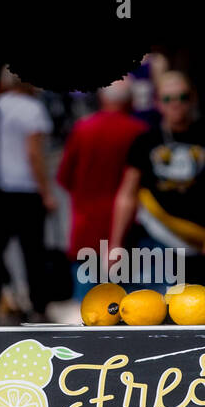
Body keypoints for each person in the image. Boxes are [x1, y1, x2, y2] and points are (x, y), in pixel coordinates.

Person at [110, 70, 205, 288]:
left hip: (198, 241)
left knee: (193, 309)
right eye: (168, 99)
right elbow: (127, 194)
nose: (176, 104)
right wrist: (115, 244)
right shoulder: (146, 140)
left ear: (193, 98)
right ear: (158, 103)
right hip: (156, 238)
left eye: (183, 97)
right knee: (156, 303)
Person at [56, 79, 146, 301]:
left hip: (87, 228)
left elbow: (64, 178)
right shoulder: (140, 132)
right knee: (132, 307)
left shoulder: (83, 129)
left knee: (87, 308)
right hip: (129, 231)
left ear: (102, 98)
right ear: (131, 101)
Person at [0, 66, 58, 318]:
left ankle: (2, 292)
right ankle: (38, 305)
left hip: (1, 188)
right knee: (33, 253)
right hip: (27, 188)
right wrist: (47, 191)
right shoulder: (33, 109)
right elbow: (34, 154)